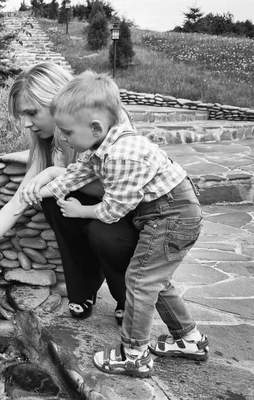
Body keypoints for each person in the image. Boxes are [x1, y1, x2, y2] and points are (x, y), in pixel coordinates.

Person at [19, 70, 209, 377]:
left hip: (173, 216)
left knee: (140, 281)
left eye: (67, 132)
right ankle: (190, 339)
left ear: (94, 126)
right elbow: (74, 176)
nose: (63, 138)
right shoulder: (99, 144)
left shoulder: (123, 154)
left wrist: (81, 211)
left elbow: (114, 209)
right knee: (156, 281)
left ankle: (134, 354)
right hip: (165, 215)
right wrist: (37, 192)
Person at [0, 62, 139, 326]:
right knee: (50, 199)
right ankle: (85, 289)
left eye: (32, 113)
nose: (26, 123)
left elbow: (119, 188)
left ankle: (126, 296)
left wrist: (53, 175)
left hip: (123, 208)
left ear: (57, 100)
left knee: (102, 234)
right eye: (22, 115)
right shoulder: (47, 142)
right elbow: (20, 199)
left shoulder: (106, 124)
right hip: (86, 207)